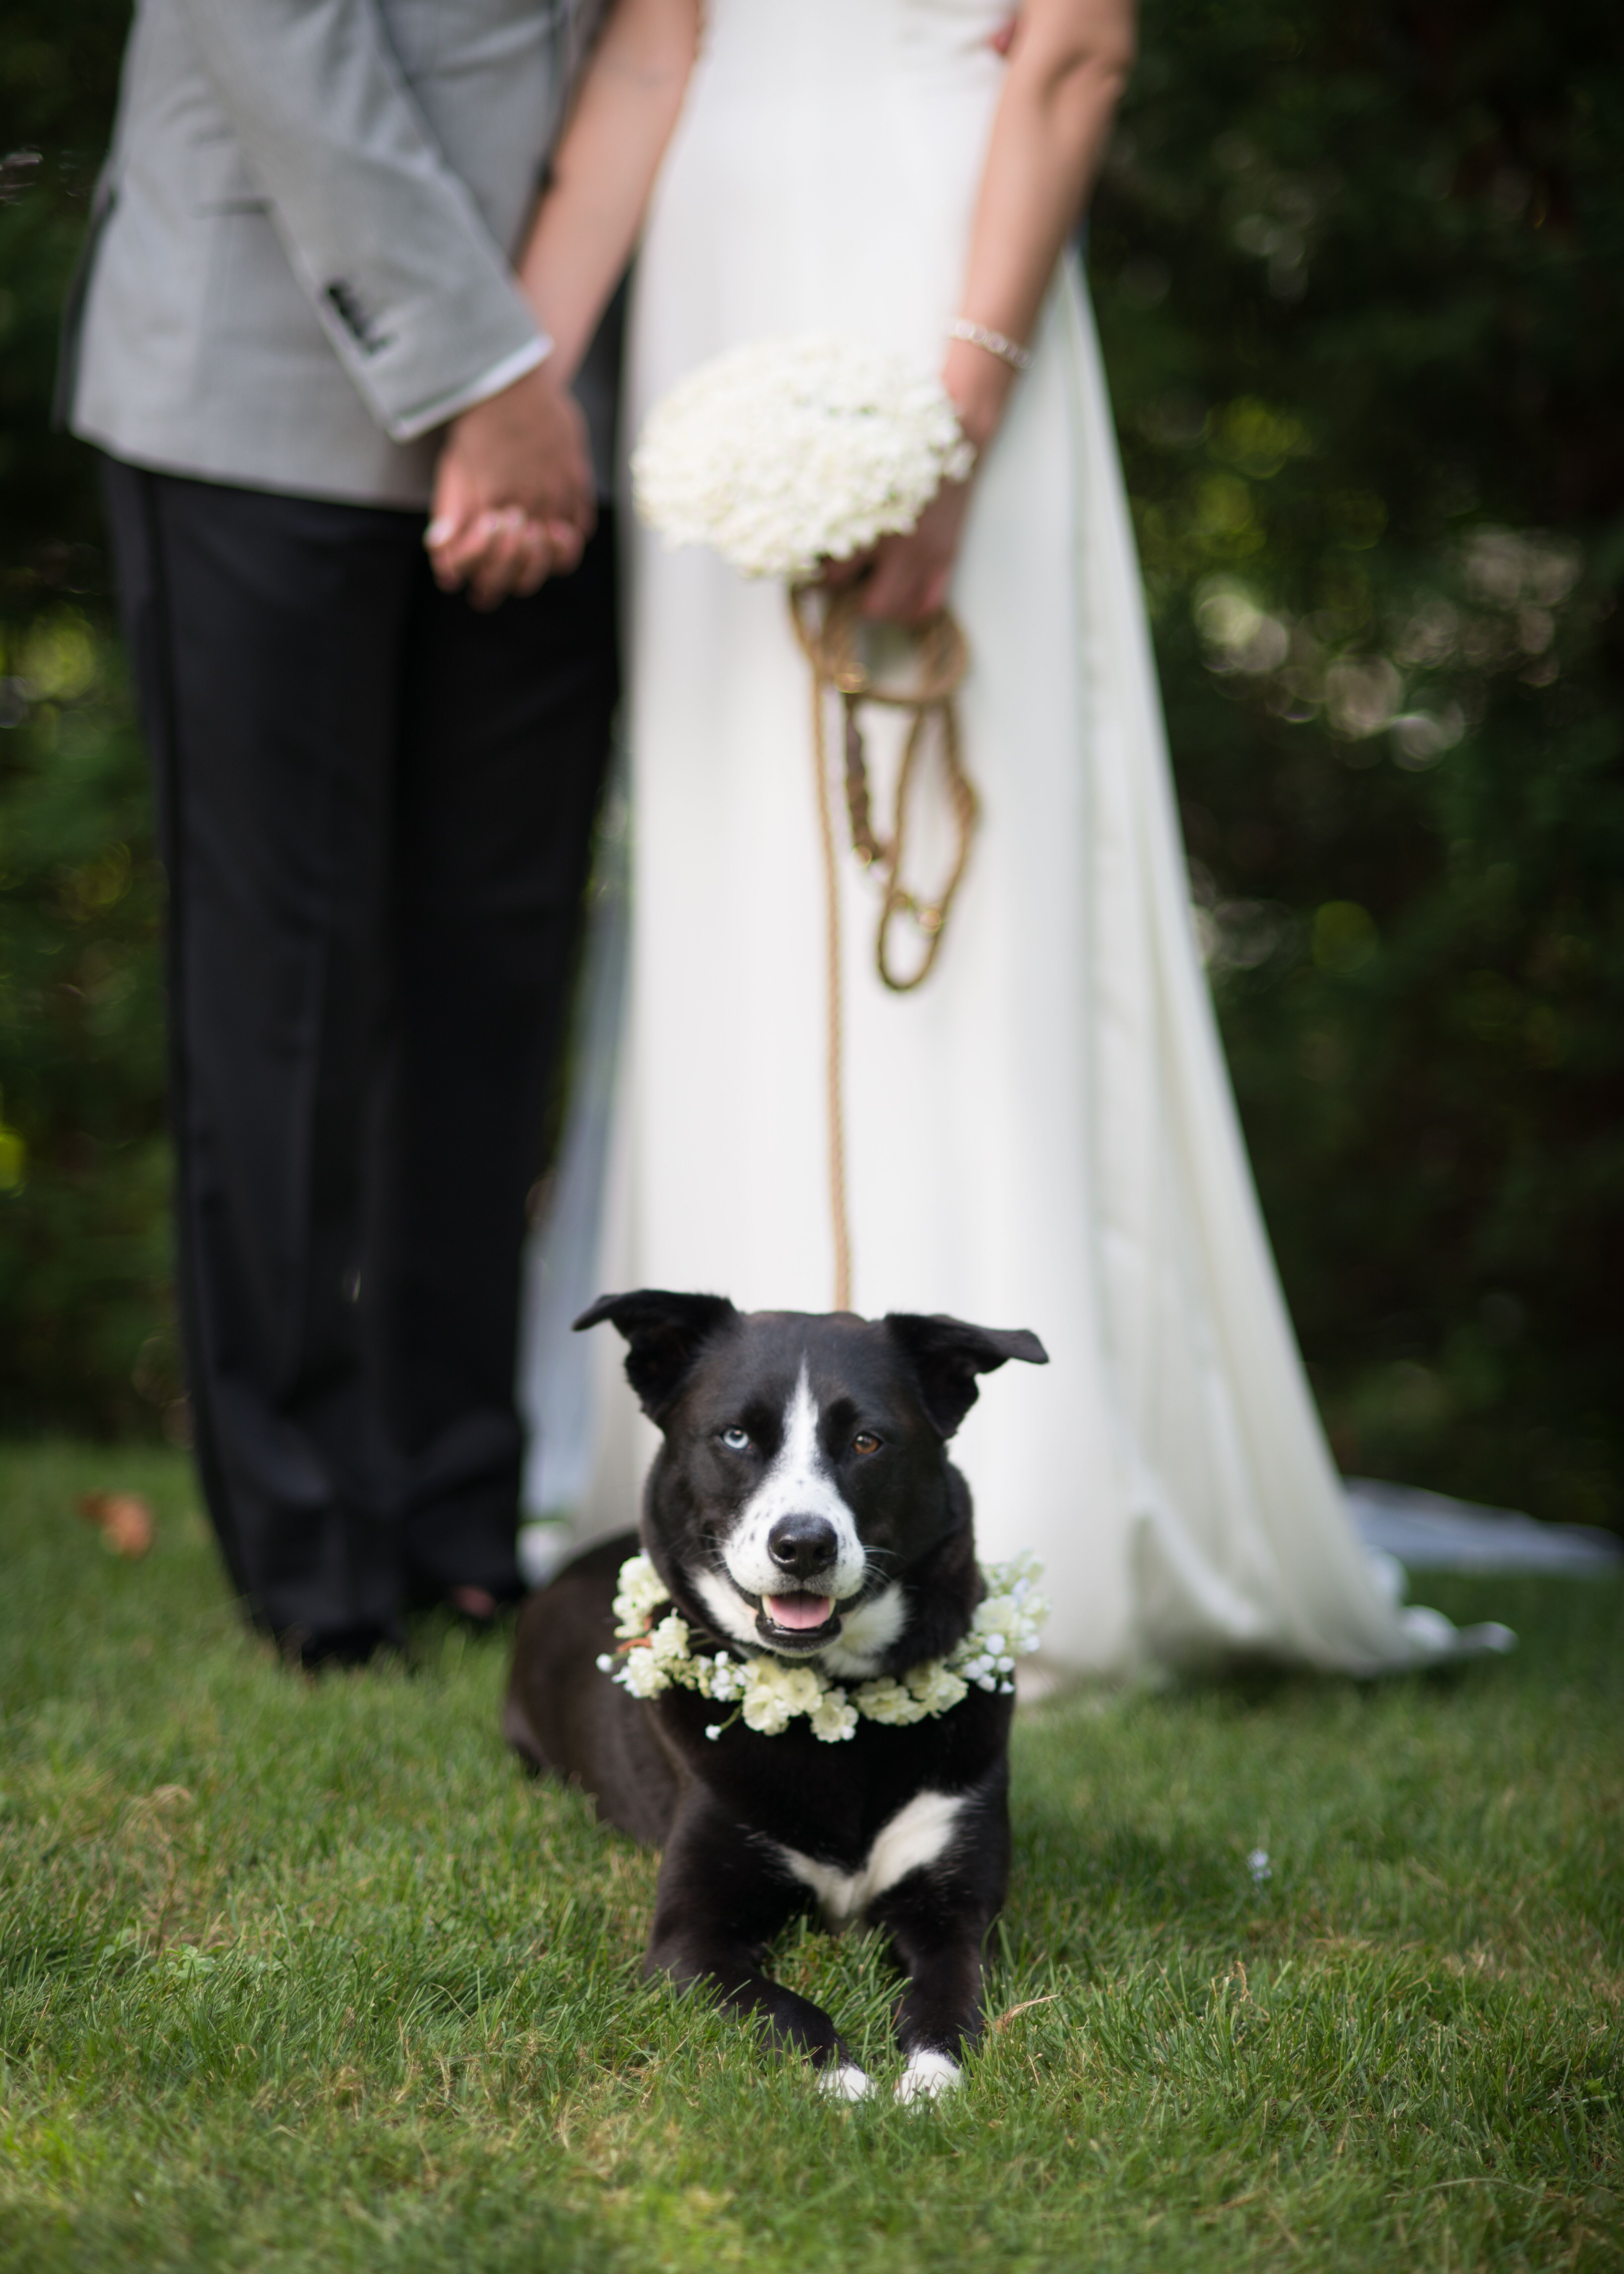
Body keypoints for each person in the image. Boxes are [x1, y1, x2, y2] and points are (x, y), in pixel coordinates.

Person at [461, 0, 1500, 1679]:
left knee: (976, 880)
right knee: (738, 891)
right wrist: (503, 384)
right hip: (711, 288)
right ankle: (728, 1497)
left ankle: (1036, 1519)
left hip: (947, 270)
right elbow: (650, 54)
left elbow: (1072, 57)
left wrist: (956, 421)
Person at [62, 0, 691, 1665]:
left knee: (493, 977)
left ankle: (453, 1507)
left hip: (574, 411)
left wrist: (537, 385)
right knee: (286, 994)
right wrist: (483, 371)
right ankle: (305, 1539)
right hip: (262, 378)